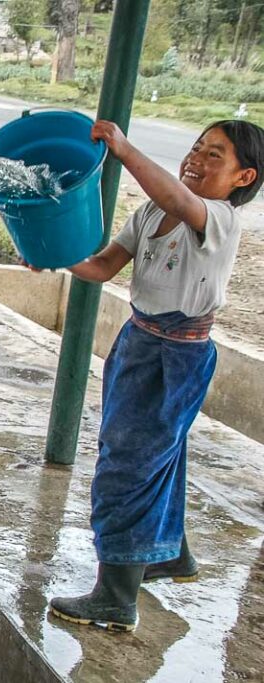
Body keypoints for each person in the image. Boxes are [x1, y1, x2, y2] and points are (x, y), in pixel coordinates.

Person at [46, 119, 264, 632]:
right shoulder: (149, 213)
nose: (196, 159)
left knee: (129, 465)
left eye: (215, 155)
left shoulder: (218, 218)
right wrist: (53, 253)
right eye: (196, 147)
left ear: (243, 177)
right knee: (159, 457)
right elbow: (101, 267)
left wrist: (123, 150)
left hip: (179, 352)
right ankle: (169, 555)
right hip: (140, 340)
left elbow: (175, 195)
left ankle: (116, 598)